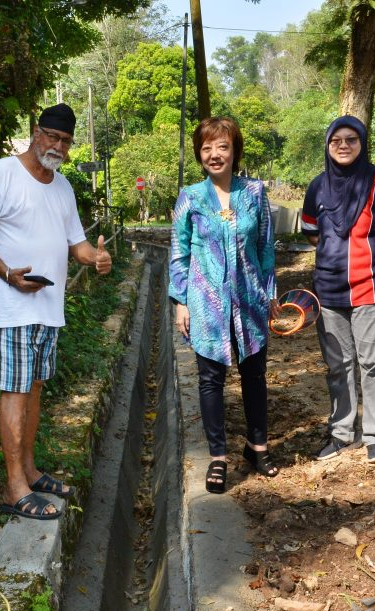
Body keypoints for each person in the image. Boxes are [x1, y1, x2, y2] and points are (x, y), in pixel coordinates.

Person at [0, 103, 113, 520]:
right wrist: (6, 272)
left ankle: (28, 470)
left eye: (66, 141)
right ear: (36, 132)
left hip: (47, 307)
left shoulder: (62, 188)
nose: (58, 147)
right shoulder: (2, 174)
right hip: (9, 306)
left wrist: (96, 258)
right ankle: (14, 488)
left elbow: (77, 244)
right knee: (15, 391)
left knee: (35, 387)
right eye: (53, 137)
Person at [168, 116, 278, 494]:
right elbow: (179, 253)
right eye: (206, 148)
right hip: (206, 305)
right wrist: (180, 301)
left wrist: (270, 293)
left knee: (254, 375)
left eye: (222, 146)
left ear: (234, 151)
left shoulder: (255, 193)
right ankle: (218, 456)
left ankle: (257, 447)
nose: (214, 154)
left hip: (250, 301)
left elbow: (265, 246)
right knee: (210, 379)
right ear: (199, 154)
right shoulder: (190, 197)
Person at [301, 115, 375, 463]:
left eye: (351, 139)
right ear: (327, 145)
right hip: (329, 292)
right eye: (336, 140)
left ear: (362, 143)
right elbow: (312, 232)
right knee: (338, 365)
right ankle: (340, 434)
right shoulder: (317, 187)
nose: (343, 146)